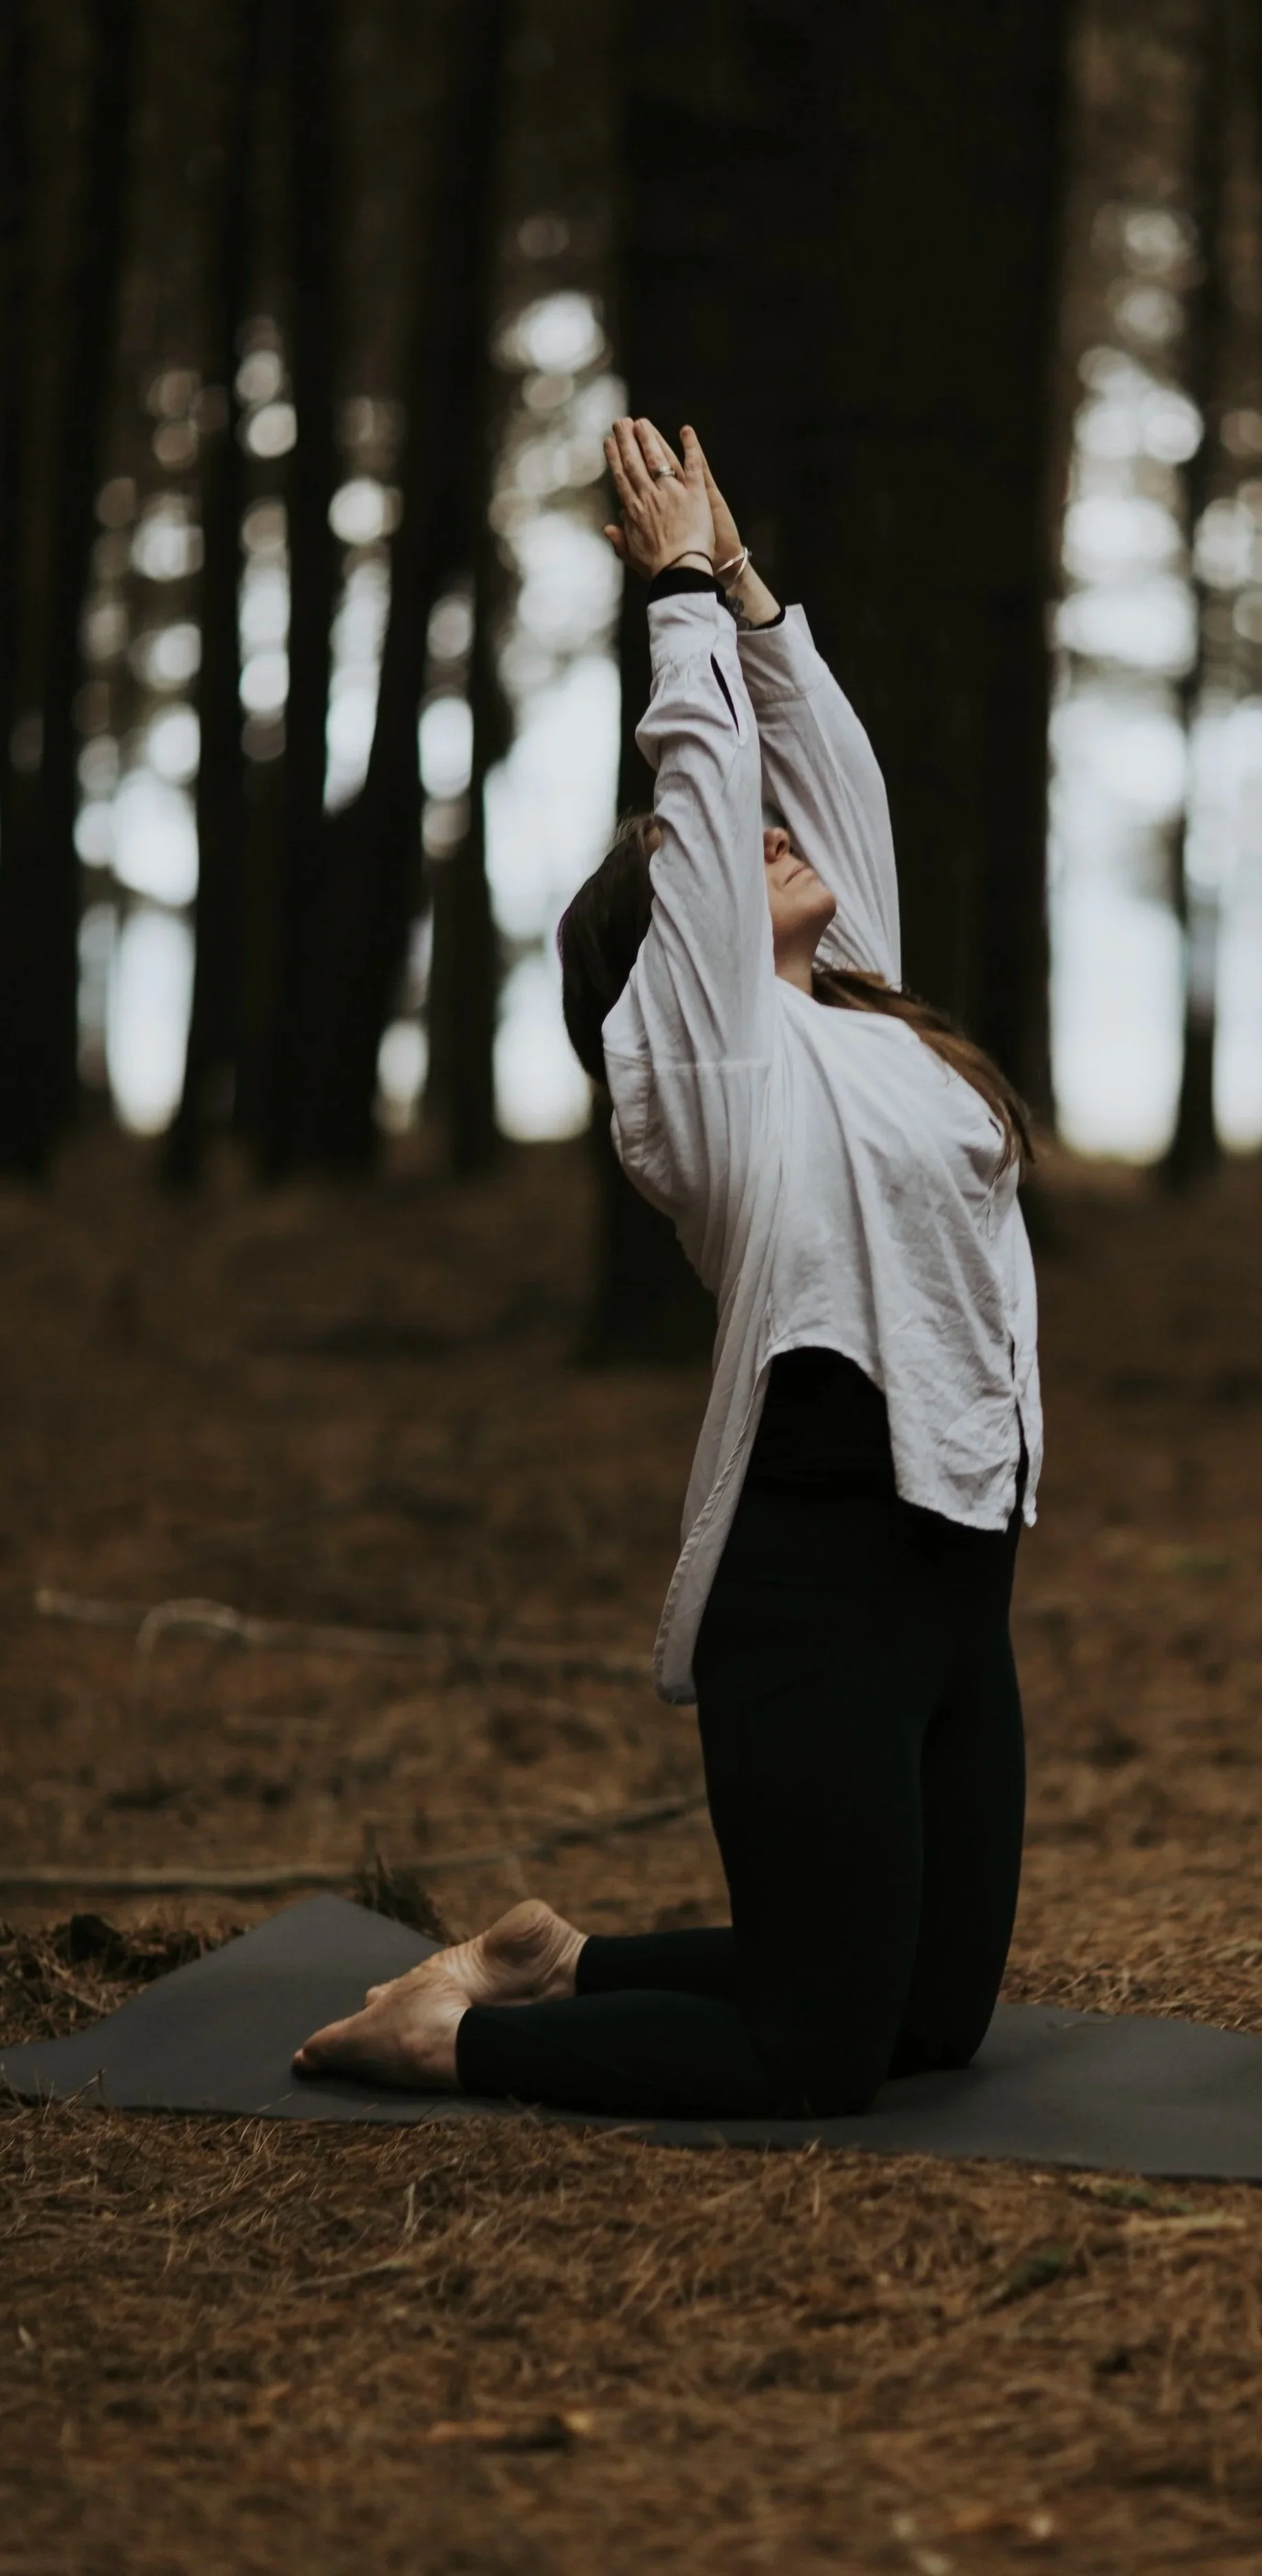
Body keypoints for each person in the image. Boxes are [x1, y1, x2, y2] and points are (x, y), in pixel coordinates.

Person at [295, 416, 1043, 2119]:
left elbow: (828, 782)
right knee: (815, 2055)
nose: (765, 835)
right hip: (818, 1597)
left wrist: (752, 589)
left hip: (957, 1586)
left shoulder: (857, 1020)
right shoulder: (710, 1088)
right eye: (705, 862)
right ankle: (453, 2040)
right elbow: (704, 808)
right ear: (672, 958)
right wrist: (677, 597)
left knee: (929, 2022)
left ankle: (557, 1964)